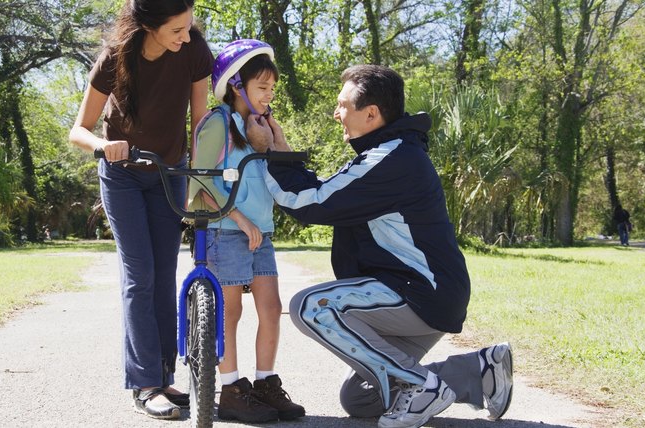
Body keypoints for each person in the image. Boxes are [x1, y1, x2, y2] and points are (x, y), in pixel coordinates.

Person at [246, 64, 513, 428]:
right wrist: (283, 153)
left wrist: (267, 154)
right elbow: (329, 192)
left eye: (342, 105)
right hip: (424, 295)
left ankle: (423, 387)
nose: (336, 113)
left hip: (420, 292)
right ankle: (480, 371)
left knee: (311, 307)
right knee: (360, 399)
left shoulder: (392, 158)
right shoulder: (387, 152)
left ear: (371, 113)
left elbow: (311, 204)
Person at [68, 0, 213, 420]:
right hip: (123, 175)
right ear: (149, 26)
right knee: (140, 276)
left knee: (165, 273)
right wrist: (102, 146)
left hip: (170, 172)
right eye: (177, 30)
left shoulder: (194, 50)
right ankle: (145, 383)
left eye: (188, 27)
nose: (186, 36)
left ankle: (164, 375)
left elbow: (200, 121)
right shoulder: (114, 59)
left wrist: (200, 181)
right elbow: (79, 129)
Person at [187, 39, 305, 423]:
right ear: (236, 86)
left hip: (262, 232)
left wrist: (276, 139)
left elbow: (284, 172)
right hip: (227, 229)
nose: (269, 96)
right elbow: (202, 179)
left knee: (271, 308)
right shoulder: (218, 123)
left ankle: (265, 383)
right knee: (230, 311)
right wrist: (238, 217)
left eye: (272, 88)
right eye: (262, 88)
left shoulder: (263, 125)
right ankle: (232, 390)